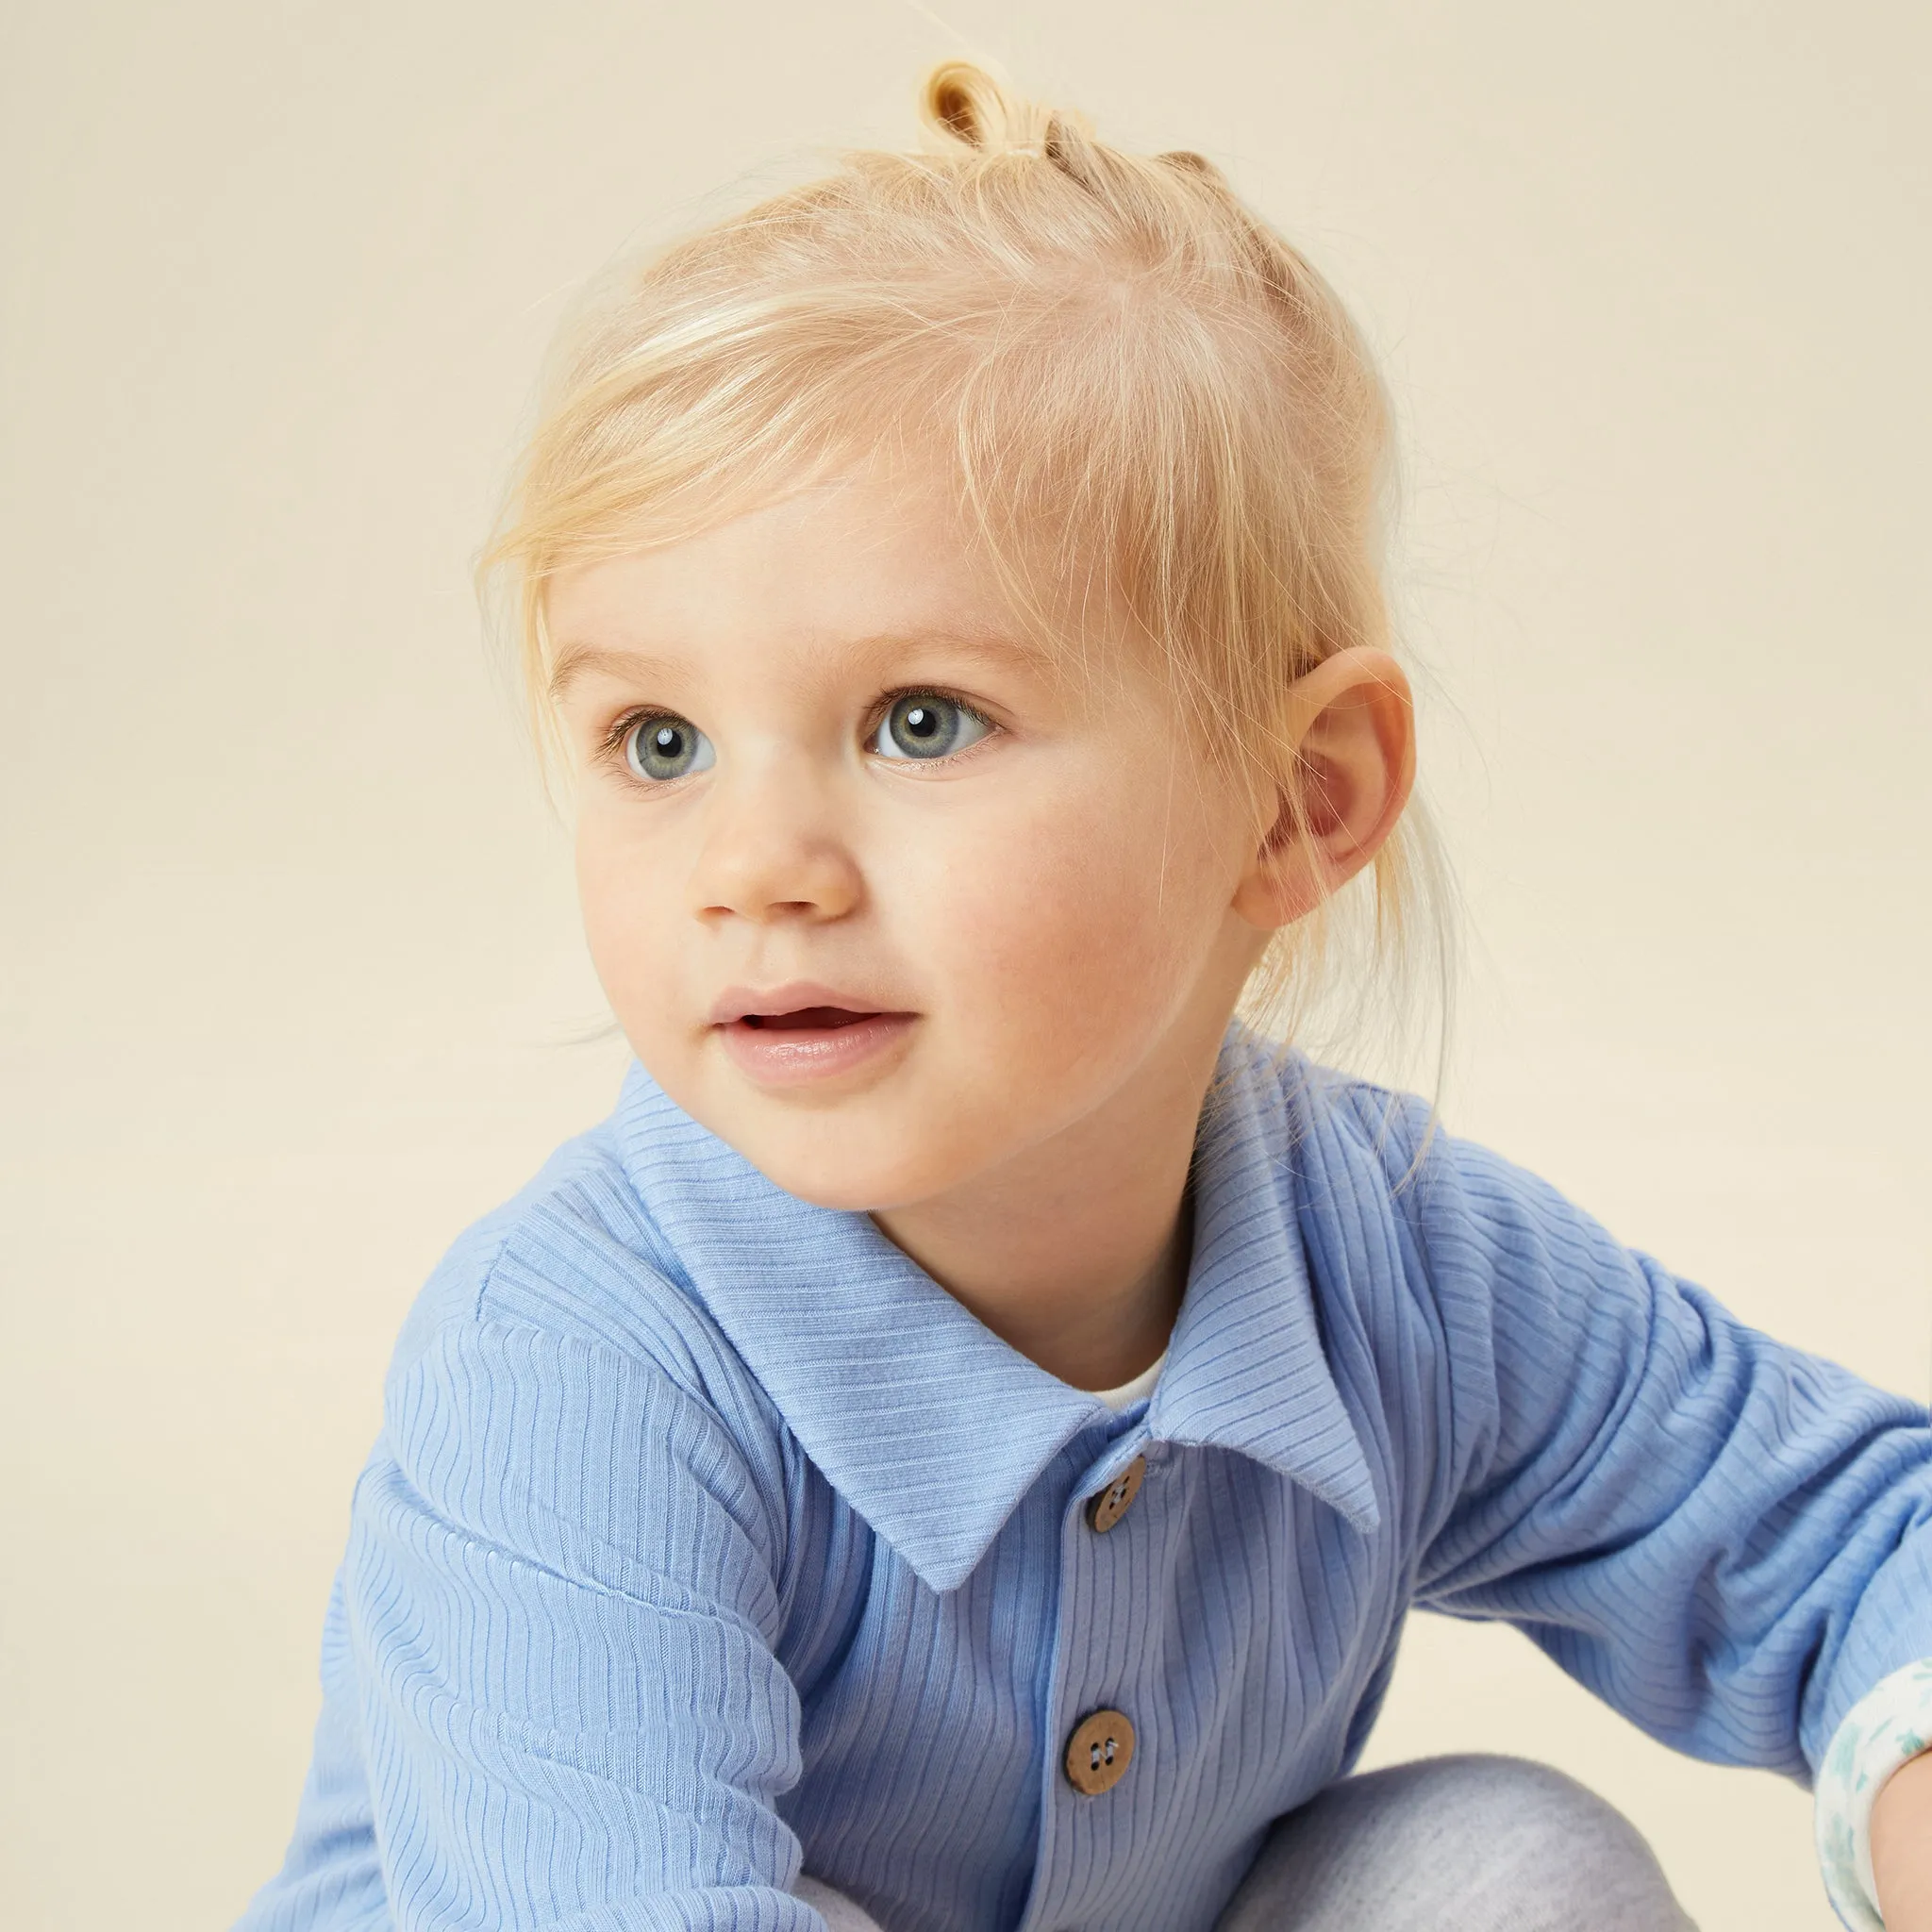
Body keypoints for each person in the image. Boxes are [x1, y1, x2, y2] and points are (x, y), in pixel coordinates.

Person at [233, 61, 1932, 1932]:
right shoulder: (573, 1366)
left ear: (1294, 803)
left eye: (921, 721)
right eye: (658, 741)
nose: (754, 861)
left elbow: (1849, 1540)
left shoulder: (1385, 1261)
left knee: (1502, 1872)